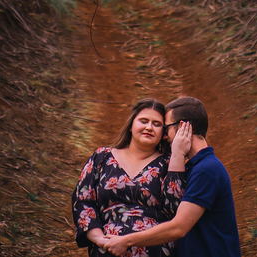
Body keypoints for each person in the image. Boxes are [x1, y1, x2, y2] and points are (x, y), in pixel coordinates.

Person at [101, 96, 241, 257]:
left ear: (181, 127)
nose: (165, 137)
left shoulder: (206, 170)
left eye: (166, 128)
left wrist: (126, 241)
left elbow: (178, 227)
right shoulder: (196, 167)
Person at [73, 98, 188, 257]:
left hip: (155, 251)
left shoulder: (170, 164)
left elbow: (176, 210)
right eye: (143, 121)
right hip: (107, 250)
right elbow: (83, 202)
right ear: (131, 125)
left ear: (164, 133)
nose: (149, 127)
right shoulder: (102, 157)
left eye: (156, 124)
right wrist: (101, 240)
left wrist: (178, 155)